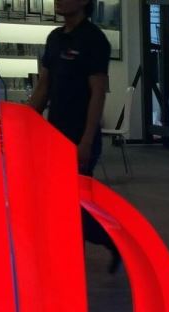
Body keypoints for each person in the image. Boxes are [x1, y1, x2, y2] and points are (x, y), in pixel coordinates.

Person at [28, 0, 119, 273]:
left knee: (73, 205)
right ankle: (103, 242)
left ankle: (89, 253)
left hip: (80, 136)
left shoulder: (94, 39)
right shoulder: (55, 38)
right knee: (62, 203)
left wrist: (87, 141)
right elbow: (43, 87)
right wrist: (25, 122)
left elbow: (98, 93)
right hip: (53, 135)